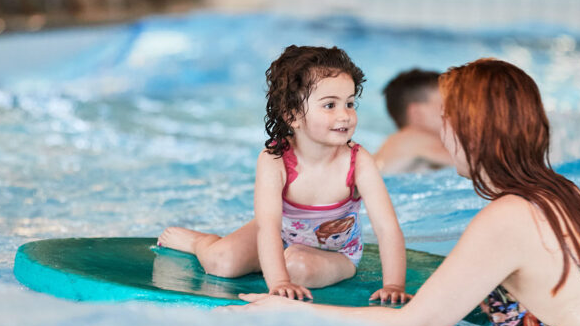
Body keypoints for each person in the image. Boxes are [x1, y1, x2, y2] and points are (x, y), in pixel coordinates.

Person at [231, 58, 580, 326]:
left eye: (447, 119)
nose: (440, 132)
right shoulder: (566, 194)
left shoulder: (509, 217)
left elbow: (414, 325)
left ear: (471, 132)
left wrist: (294, 312)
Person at [159, 45, 411, 304]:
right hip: (279, 235)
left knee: (297, 268)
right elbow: (267, 227)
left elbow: (387, 227)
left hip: (338, 253)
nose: (345, 115)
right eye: (330, 105)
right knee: (222, 263)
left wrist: (393, 284)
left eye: (349, 103)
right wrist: (278, 283)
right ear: (292, 115)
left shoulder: (358, 161)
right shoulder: (275, 160)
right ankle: (200, 243)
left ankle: (276, 262)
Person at [373, 69, 452, 174]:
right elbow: (473, 167)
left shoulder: (396, 143)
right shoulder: (414, 138)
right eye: (448, 104)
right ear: (417, 113)